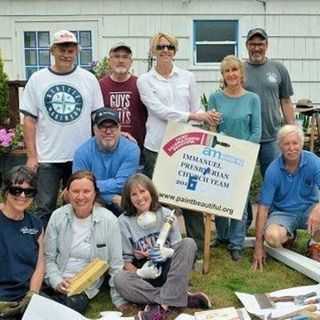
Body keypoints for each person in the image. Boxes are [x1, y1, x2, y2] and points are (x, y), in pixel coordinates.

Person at [137, 32, 216, 254]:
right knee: (158, 198)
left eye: (169, 47)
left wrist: (206, 116)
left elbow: (196, 106)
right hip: (157, 146)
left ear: (175, 51)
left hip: (185, 145)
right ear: (153, 50)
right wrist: (194, 116)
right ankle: (161, 245)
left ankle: (198, 247)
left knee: (190, 196)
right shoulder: (144, 80)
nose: (165, 50)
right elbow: (159, 111)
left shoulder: (187, 77)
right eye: (160, 46)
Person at [20, 30, 104, 227]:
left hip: (80, 156)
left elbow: (97, 118)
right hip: (48, 158)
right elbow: (29, 120)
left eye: (70, 50)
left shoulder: (88, 79)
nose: (66, 54)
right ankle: (42, 249)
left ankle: (77, 247)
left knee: (80, 204)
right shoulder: (38, 79)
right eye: (61, 49)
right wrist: (32, 156)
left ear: (76, 52)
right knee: (44, 207)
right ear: (52, 51)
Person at [114, 174, 212, 320]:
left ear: (151, 192)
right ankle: (181, 298)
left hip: (169, 272)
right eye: (134, 194)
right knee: (119, 279)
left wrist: (168, 253)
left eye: (142, 191)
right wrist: (140, 272)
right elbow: (126, 262)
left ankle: (161, 306)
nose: (139, 198)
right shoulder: (123, 222)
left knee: (189, 243)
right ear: (129, 198)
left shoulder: (166, 214)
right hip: (145, 276)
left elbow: (180, 251)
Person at [44, 170, 127, 313]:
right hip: (55, 279)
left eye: (86, 191)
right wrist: (56, 281)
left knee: (71, 306)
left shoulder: (109, 220)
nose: (80, 197)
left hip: (81, 287)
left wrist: (118, 300)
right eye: (75, 191)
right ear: (68, 194)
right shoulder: (58, 216)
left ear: (95, 193)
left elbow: (116, 265)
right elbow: (48, 257)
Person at [208, 55, 261, 261]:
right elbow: (212, 128)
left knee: (239, 200)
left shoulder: (252, 99)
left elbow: (256, 131)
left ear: (241, 73)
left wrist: (241, 151)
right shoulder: (215, 98)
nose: (231, 74)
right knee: (220, 196)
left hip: (244, 156)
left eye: (234, 70)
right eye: (227, 71)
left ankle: (236, 243)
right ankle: (222, 235)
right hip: (221, 155)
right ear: (223, 75)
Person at [253, 125, 320, 271]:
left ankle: (315, 244)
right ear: (280, 146)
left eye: (295, 143)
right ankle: (289, 236)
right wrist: (258, 246)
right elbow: (263, 209)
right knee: (272, 237)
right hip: (283, 213)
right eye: (286, 144)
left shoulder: (313, 161)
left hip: (310, 209)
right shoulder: (273, 170)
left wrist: (317, 209)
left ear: (301, 144)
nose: (291, 148)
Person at [244, 27, 295, 177]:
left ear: (266, 45)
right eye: (253, 44)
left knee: (273, 177)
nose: (256, 48)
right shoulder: (239, 70)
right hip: (245, 136)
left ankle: (271, 201)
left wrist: (292, 129)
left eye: (260, 44)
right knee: (241, 180)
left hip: (272, 136)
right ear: (247, 45)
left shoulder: (278, 68)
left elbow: (285, 100)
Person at [73, 107, 140, 217]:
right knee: (93, 212)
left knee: (137, 205)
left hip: (123, 197)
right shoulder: (82, 152)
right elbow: (81, 186)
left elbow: (122, 184)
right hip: (94, 198)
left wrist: (92, 185)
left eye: (112, 127)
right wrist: (112, 198)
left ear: (119, 128)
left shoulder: (131, 149)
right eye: (103, 127)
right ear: (94, 129)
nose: (108, 131)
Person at [0, 166, 44, 319]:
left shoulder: (36, 224)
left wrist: (32, 295)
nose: (23, 196)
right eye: (16, 190)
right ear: (5, 191)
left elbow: (40, 265)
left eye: (29, 191)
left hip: (24, 298)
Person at [99, 42, 148, 153]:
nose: (121, 61)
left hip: (137, 150)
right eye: (116, 56)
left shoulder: (141, 84)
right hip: (107, 150)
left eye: (125, 57)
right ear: (109, 61)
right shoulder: (99, 86)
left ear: (131, 62)